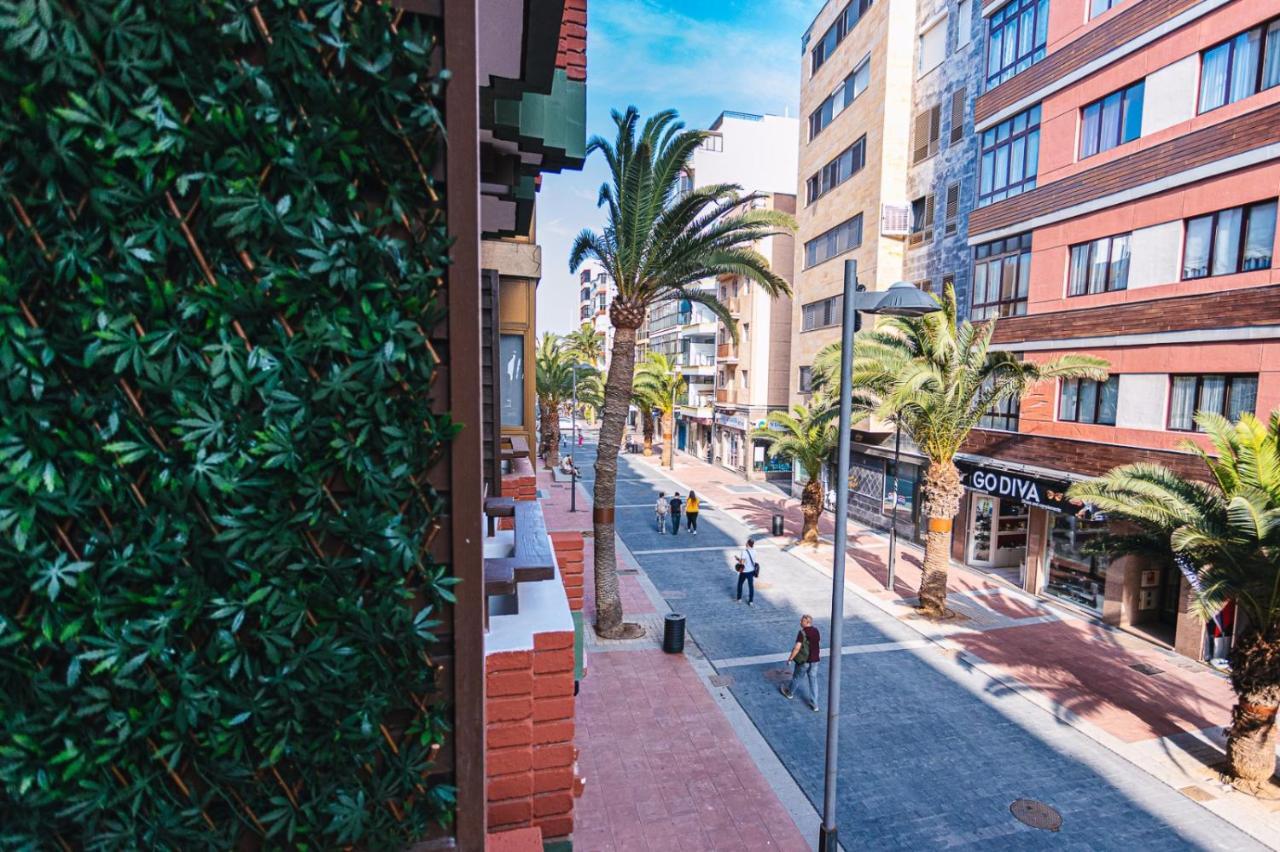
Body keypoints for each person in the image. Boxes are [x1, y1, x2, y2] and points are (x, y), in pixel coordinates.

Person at [780, 615, 821, 711]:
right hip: (815, 660)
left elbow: (797, 647)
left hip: (804, 661)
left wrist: (790, 658)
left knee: (797, 677)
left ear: (807, 622)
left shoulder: (802, 633)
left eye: (802, 621)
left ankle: (789, 693)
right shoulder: (816, 631)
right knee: (813, 681)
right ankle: (815, 704)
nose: (800, 622)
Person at [735, 538, 759, 606]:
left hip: (744, 572)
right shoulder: (755, 551)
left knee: (740, 584)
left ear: (748, 544)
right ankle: (751, 601)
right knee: (751, 586)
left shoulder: (744, 552)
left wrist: (738, 559)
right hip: (751, 571)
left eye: (746, 543)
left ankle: (739, 599)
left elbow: (742, 563)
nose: (745, 543)